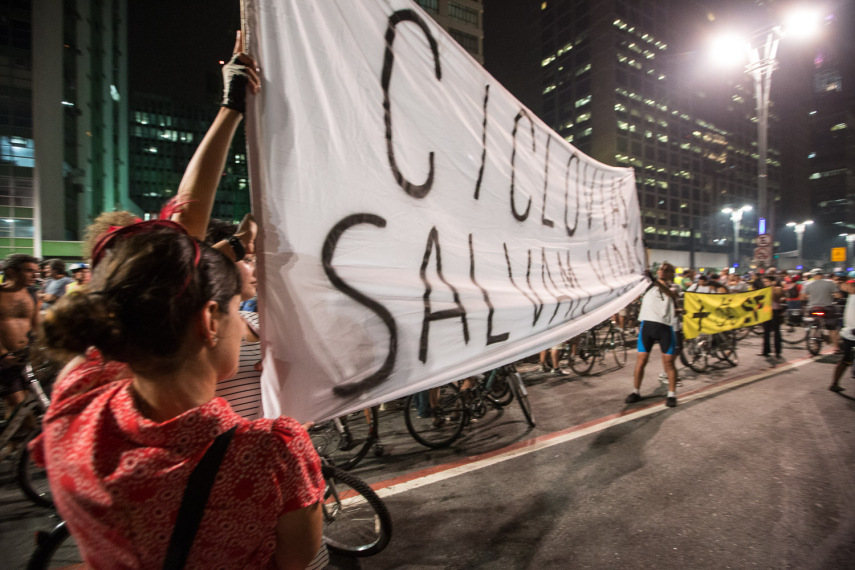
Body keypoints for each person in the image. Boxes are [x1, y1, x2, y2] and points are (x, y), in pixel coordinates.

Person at [32, 223, 324, 568]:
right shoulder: (275, 452)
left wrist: (215, 255)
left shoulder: (73, 413)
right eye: (236, 308)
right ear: (210, 320)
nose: (244, 321)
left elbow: (138, 299)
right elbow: (295, 562)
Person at [626, 262, 680, 408]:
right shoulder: (648, 284)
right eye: (661, 269)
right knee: (641, 360)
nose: (662, 271)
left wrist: (654, 280)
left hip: (665, 327)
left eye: (666, 270)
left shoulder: (674, 286)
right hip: (647, 326)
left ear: (671, 274)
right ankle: (635, 392)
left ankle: (671, 395)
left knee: (668, 362)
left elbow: (670, 293)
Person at [0, 254, 39, 412]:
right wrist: (2, 355)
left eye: (36, 271)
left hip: (25, 359)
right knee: (20, 409)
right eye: (29, 271)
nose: (35, 275)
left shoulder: (32, 294)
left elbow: (38, 327)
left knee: (26, 409)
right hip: (4, 361)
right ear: (11, 272)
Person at [801, 268, 841, 352]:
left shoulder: (807, 284)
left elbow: (802, 297)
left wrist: (810, 297)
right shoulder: (830, 283)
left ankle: (815, 341)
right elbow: (838, 295)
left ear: (813, 275)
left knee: (814, 323)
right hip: (827, 308)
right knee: (832, 328)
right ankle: (836, 347)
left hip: (812, 308)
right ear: (822, 274)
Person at [830, 279, 855, 392]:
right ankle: (834, 384)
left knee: (845, 360)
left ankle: (834, 384)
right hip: (851, 334)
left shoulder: (851, 297)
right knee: (846, 360)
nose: (847, 287)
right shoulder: (852, 297)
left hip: (848, 333)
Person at [760, 274, 783, 359]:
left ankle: (777, 351)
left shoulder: (777, 288)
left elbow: (776, 297)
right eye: (764, 282)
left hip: (775, 311)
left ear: (773, 282)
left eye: (767, 281)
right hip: (766, 311)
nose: (765, 283)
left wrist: (772, 287)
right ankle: (766, 350)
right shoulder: (764, 290)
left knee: (776, 332)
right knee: (766, 331)